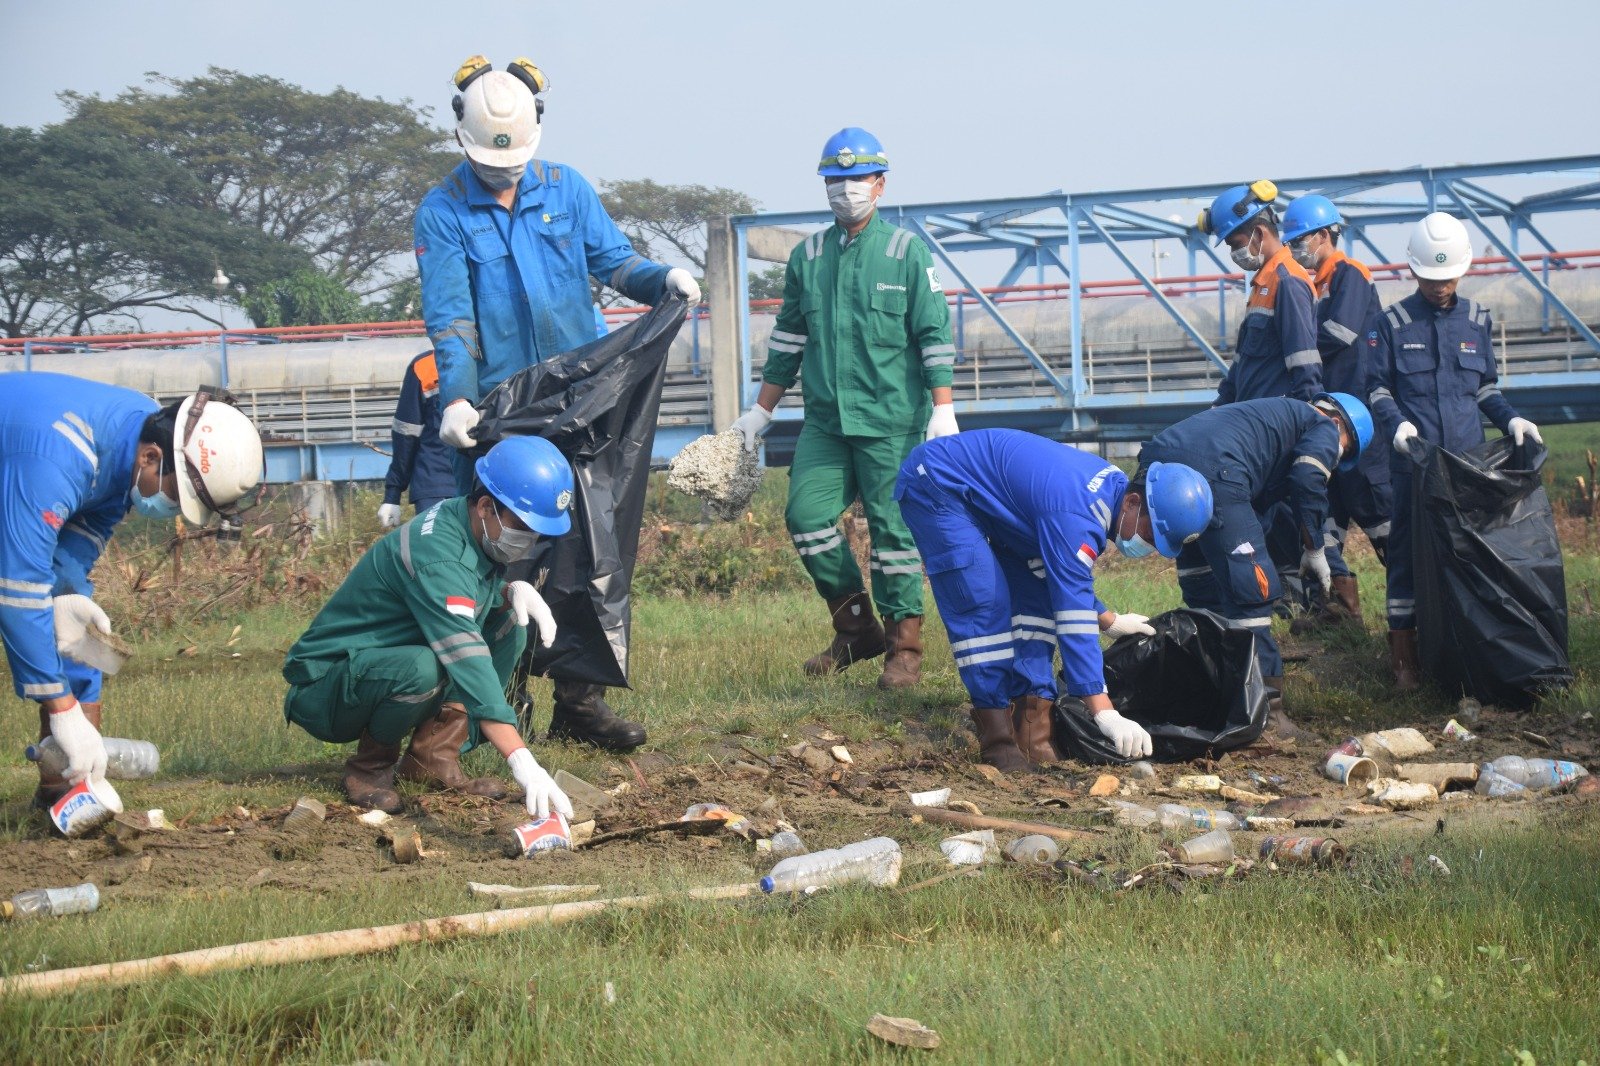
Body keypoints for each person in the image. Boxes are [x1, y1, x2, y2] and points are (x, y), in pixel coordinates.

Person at [414, 55, 699, 750]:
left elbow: (615, 263)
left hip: (581, 400)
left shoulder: (565, 189)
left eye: (514, 162)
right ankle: (497, 710)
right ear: (462, 139)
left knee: (585, 545)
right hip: (500, 410)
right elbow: (453, 320)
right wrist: (455, 400)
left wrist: (665, 278)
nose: (504, 172)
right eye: (490, 162)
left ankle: (580, 703)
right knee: (501, 554)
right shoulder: (443, 212)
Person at [729, 127, 959, 689]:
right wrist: (759, 412)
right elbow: (788, 339)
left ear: (880, 184)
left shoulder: (907, 253)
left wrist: (943, 408)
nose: (845, 189)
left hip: (891, 422)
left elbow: (933, 334)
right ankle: (857, 627)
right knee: (805, 519)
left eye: (856, 179)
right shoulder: (807, 257)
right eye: (835, 179)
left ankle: (904, 646)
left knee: (893, 533)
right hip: (827, 425)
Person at [0, 375, 262, 808]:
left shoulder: (138, 430)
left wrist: (65, 604)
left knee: (79, 631)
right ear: (151, 456)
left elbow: (73, 553)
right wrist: (59, 704)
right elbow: (17, 588)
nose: (173, 510)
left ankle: (65, 787)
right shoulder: (59, 457)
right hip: (28, 459)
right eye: (176, 496)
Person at [282, 437, 576, 818]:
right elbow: (466, 656)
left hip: (377, 663)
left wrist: (507, 592)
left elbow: (462, 598)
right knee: (422, 668)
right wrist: (521, 759)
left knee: (508, 627)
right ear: (486, 506)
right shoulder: (438, 554)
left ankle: (432, 758)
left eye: (537, 532)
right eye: (523, 526)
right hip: (326, 684)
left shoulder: (466, 523)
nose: (529, 540)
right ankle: (370, 768)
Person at [895, 430, 1213, 771]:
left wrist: (1109, 620)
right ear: (1133, 503)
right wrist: (1102, 709)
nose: (1145, 546)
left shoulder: (1107, 495)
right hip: (940, 482)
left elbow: (1065, 579)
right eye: (1149, 535)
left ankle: (1033, 732)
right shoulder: (1078, 514)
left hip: (1005, 508)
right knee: (983, 602)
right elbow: (1073, 609)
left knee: (1035, 601)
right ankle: (997, 739)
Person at [1366, 212, 1540, 691]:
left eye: (1447, 277)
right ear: (1414, 271)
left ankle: (1466, 642)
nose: (1439, 286)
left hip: (1468, 466)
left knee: (1468, 554)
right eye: (1430, 277)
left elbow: (1484, 391)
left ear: (1462, 271)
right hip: (1414, 465)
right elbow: (1377, 390)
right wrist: (1396, 425)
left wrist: (1511, 419)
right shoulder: (1392, 323)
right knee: (1405, 552)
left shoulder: (1477, 321)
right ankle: (1404, 654)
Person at [1137, 393, 1373, 740]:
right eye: (1344, 451)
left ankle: (1214, 701)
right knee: (1254, 593)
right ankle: (1268, 717)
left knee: (1204, 589)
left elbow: (1262, 506)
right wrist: (1316, 549)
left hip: (1161, 466)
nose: (1335, 462)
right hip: (1217, 473)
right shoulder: (1321, 425)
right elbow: (1308, 478)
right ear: (1339, 425)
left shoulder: (1269, 421)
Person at [1280, 194, 1392, 629]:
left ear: (1325, 235)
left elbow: (1339, 334)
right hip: (1329, 422)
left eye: (1300, 239)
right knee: (1326, 520)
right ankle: (1338, 613)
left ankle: (1416, 613)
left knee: (1382, 519)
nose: (1294, 248)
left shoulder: (1351, 275)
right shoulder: (1313, 284)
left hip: (1361, 423)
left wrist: (1294, 351)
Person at [1198, 180, 1323, 405]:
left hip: (1275, 418)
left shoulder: (1288, 281)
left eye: (1236, 244)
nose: (1235, 253)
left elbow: (1303, 361)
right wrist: (1221, 405)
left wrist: (1309, 420)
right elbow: (1242, 362)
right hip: (1253, 415)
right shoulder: (1262, 284)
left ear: (1258, 233)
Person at [378, 351, 455, 528]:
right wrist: (392, 494)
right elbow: (406, 435)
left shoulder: (501, 356)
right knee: (435, 553)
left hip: (484, 485)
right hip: (436, 485)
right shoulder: (424, 367)